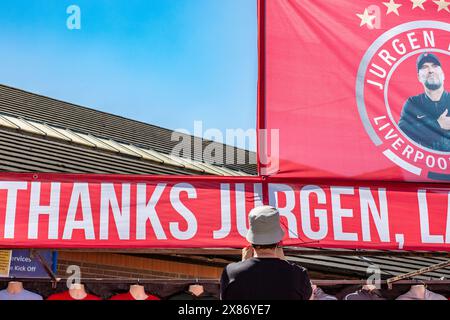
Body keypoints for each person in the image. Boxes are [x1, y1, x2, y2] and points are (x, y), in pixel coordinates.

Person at [220, 205, 312, 300]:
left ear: (251, 240)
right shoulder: (299, 274)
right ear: (278, 240)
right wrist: (285, 262)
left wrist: (242, 264)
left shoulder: (231, 272)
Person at [398, 52, 450, 151]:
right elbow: (402, 134)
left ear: (443, 74)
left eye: (434, 66)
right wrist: (438, 124)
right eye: (424, 67)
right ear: (419, 77)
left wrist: (422, 129)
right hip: (423, 163)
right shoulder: (413, 104)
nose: (430, 70)